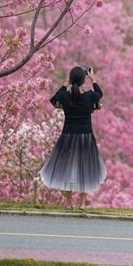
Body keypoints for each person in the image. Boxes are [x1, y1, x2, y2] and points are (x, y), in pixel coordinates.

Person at [40, 66, 107, 209]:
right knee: (85, 168)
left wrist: (65, 84)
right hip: (85, 137)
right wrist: (93, 79)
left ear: (71, 79)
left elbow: (54, 100)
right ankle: (82, 204)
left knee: (66, 168)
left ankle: (69, 203)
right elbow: (99, 94)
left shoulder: (65, 97)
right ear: (84, 80)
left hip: (68, 137)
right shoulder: (89, 96)